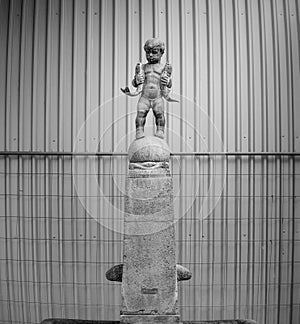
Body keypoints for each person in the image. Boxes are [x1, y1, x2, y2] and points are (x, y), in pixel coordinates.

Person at [121, 38, 177, 139]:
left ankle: (160, 130)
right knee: (140, 115)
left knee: (160, 115)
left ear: (161, 52)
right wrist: (136, 81)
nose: (150, 55)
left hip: (158, 97)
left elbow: (169, 84)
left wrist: (168, 82)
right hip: (144, 97)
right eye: (148, 52)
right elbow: (134, 83)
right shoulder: (143, 67)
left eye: (154, 52)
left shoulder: (164, 67)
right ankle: (139, 131)